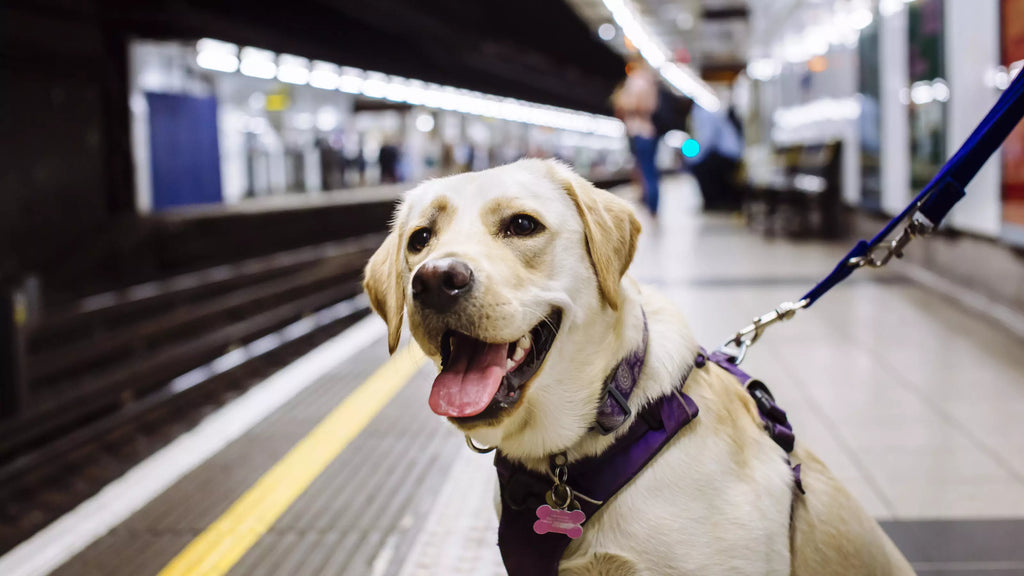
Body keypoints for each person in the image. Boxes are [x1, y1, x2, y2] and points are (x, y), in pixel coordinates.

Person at [612, 63, 661, 215]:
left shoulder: (636, 81)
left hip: (638, 130)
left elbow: (632, 104)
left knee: (644, 170)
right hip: (650, 131)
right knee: (650, 169)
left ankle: (650, 206)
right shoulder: (651, 83)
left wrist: (622, 101)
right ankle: (653, 206)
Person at [687, 102, 744, 211]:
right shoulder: (708, 112)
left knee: (701, 168)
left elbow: (706, 140)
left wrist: (694, 159)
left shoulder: (702, 114)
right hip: (730, 152)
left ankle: (714, 202)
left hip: (727, 154)